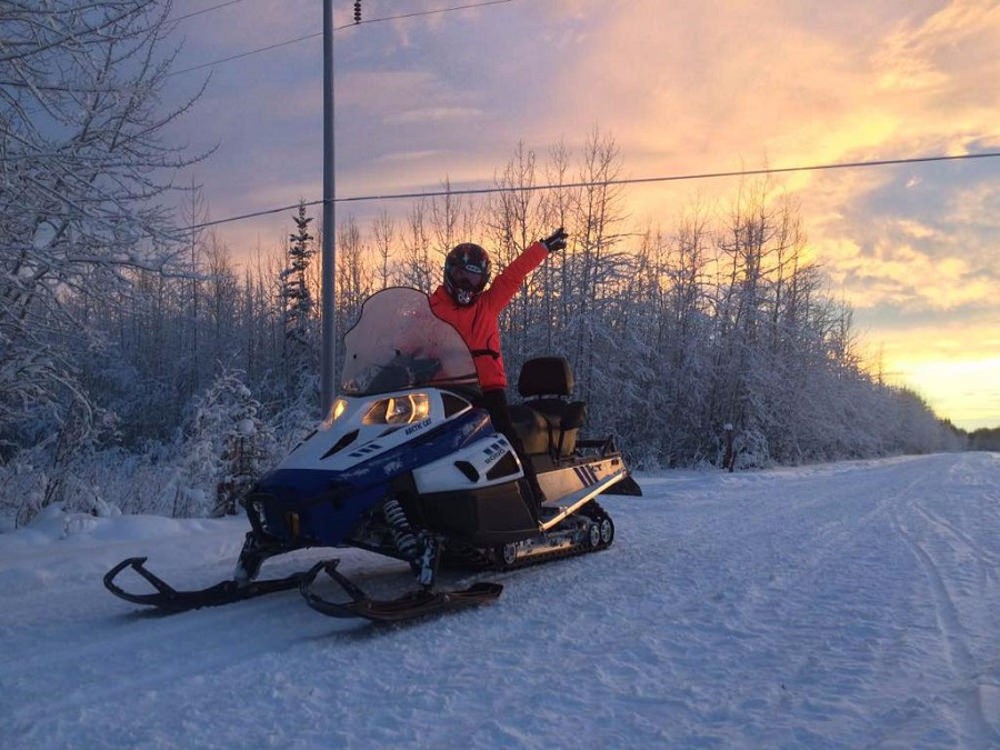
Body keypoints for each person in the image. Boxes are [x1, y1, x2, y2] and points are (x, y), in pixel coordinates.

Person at [429, 227, 569, 509]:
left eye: (474, 278)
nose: (467, 284)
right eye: (462, 276)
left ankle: (531, 498)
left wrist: (541, 248)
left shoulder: (488, 305)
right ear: (449, 273)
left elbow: (513, 276)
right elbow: (409, 337)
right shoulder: (432, 307)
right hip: (444, 387)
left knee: (503, 435)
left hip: (487, 388)